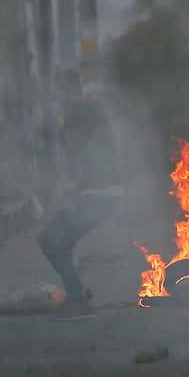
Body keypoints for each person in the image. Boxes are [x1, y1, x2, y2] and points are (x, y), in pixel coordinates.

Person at [37, 69, 122, 320]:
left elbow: (87, 103)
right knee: (54, 241)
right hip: (92, 194)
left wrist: (55, 97)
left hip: (100, 195)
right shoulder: (76, 117)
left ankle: (77, 296)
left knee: (52, 240)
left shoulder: (90, 109)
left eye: (62, 89)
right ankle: (77, 290)